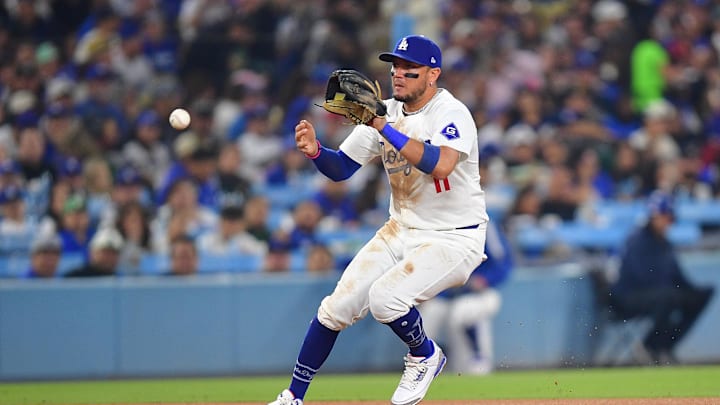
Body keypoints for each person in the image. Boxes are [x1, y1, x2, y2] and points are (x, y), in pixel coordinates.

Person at [269, 35, 488, 405]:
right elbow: (340, 168)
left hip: (454, 238)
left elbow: (442, 165)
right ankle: (293, 397)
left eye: (409, 69)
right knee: (335, 308)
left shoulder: (450, 113)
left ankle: (424, 354)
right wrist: (317, 151)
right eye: (395, 67)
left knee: (386, 299)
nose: (398, 74)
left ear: (433, 74)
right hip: (401, 228)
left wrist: (381, 125)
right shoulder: (385, 111)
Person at [608, 191, 715, 365]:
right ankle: (650, 346)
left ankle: (665, 346)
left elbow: (677, 277)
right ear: (653, 216)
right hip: (627, 298)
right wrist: (674, 291)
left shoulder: (664, 243)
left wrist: (692, 293)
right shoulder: (637, 240)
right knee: (668, 297)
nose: (665, 222)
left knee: (699, 295)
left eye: (668, 217)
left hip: (659, 295)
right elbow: (639, 277)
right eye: (662, 216)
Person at [419, 220, 513, 375]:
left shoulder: (484, 224)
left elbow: (504, 263)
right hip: (445, 294)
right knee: (423, 322)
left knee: (463, 312)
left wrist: (486, 279)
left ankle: (479, 358)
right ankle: (435, 361)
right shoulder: (439, 225)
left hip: (480, 293)